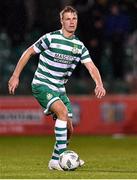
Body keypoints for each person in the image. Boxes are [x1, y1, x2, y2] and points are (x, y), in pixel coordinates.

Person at [8, 6, 106, 171]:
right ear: (62, 21)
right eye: (67, 19)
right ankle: (63, 157)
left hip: (59, 88)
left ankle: (54, 161)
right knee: (61, 112)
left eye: (74, 19)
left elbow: (91, 67)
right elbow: (28, 52)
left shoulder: (79, 46)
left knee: (69, 129)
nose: (71, 22)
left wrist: (99, 83)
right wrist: (15, 75)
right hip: (42, 83)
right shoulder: (50, 38)